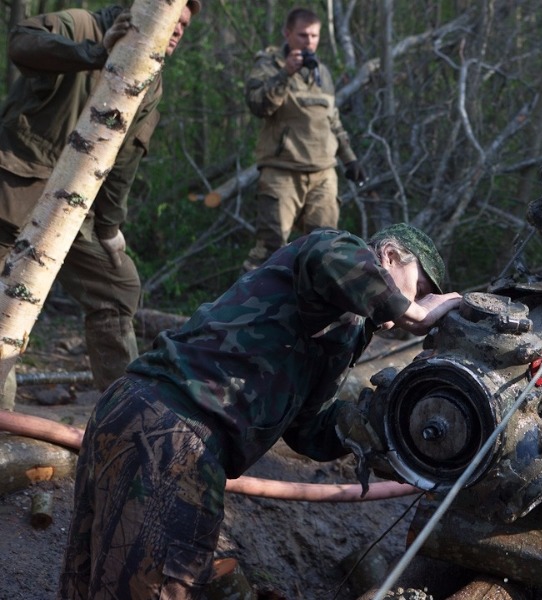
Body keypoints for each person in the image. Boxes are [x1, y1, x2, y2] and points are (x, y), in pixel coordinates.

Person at [58, 223, 462, 598]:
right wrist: (415, 312)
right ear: (389, 255)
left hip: (142, 413)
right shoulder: (338, 252)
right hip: (175, 431)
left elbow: (308, 430)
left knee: (89, 580)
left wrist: (385, 418)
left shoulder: (346, 330)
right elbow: (328, 256)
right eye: (419, 288)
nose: (415, 303)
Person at [0, 1, 202, 408]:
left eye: (183, 24)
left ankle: (124, 413)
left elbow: (124, 160)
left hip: (71, 206)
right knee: (7, 305)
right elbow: (22, 43)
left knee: (117, 285)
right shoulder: (80, 24)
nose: (177, 31)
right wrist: (94, 54)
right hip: (14, 188)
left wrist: (109, 229)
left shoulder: (150, 76)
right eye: (172, 19)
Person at [242, 7, 365, 273]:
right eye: (302, 35)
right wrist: (285, 73)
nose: (309, 42)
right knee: (269, 250)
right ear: (287, 34)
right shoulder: (268, 65)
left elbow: (332, 120)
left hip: (323, 173)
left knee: (325, 250)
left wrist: (350, 159)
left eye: (314, 36)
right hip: (282, 172)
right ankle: (242, 313)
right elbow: (258, 106)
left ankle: (317, 313)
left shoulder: (322, 72)